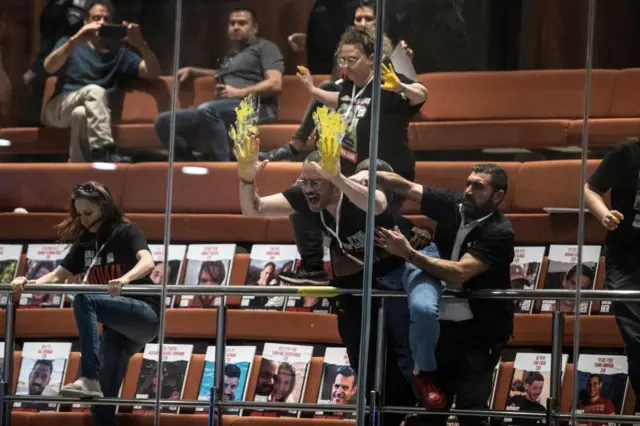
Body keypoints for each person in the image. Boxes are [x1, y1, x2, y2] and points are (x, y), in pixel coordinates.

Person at [236, 142, 443, 423]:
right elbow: (254, 209)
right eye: (304, 181)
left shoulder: (356, 195)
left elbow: (378, 204)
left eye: (315, 182)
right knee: (366, 365)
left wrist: (336, 176)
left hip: (403, 268)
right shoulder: (306, 197)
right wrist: (247, 178)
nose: (307, 188)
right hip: (367, 282)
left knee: (406, 356)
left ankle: (430, 414)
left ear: (333, 182)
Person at [360, 163, 515, 426]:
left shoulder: (500, 231)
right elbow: (405, 186)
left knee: (470, 409)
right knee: (433, 410)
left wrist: (408, 252)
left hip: (479, 332)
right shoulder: (453, 204)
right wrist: (359, 176)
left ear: (498, 196)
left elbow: (459, 273)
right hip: (443, 328)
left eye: (478, 186)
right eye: (468, 183)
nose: (468, 191)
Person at [273, 25, 427, 286]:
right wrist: (312, 90)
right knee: (302, 195)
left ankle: (393, 259)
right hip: (353, 174)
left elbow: (421, 95)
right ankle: (313, 268)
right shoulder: (348, 88)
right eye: (342, 59)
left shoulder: (387, 85)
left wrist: (401, 85)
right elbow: (338, 99)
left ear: (371, 59)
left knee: (367, 186)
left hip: (386, 173)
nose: (345, 64)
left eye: (352, 59)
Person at [11, 180, 159, 426]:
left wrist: (124, 279)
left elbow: (147, 262)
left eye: (88, 213)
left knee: (85, 297)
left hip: (145, 315)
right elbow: (57, 275)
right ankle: (94, 387)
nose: (84, 220)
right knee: (102, 398)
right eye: (79, 215)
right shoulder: (84, 242)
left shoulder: (126, 231)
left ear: (104, 207)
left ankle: (88, 375)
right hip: (117, 330)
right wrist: (28, 282)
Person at [262, 0, 414, 163]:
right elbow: (337, 81)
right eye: (358, 19)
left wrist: (406, 59)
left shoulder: (391, 48)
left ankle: (297, 146)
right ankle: (303, 147)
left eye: (368, 19)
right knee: (327, 87)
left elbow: (406, 88)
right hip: (347, 99)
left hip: (380, 103)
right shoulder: (346, 47)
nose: (362, 23)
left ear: (378, 20)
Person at [154, 7, 284, 162]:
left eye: (242, 23)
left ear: (255, 28)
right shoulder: (232, 55)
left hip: (257, 108)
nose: (236, 27)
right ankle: (184, 164)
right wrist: (194, 70)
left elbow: (275, 83)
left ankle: (221, 167)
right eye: (232, 23)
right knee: (165, 121)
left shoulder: (265, 47)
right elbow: (223, 73)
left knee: (208, 110)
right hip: (224, 108)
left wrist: (238, 93)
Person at [41, 0, 161, 163]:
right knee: (95, 90)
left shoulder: (120, 53)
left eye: (106, 19)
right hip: (58, 109)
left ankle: (78, 170)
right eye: (96, 18)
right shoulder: (70, 43)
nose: (101, 23)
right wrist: (76, 38)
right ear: (86, 22)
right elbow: (49, 67)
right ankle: (106, 149)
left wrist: (141, 45)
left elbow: (153, 72)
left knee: (81, 114)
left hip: (89, 112)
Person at [584, 137, 640, 416]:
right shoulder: (626, 151)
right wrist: (604, 214)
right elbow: (591, 189)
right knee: (637, 337)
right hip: (628, 258)